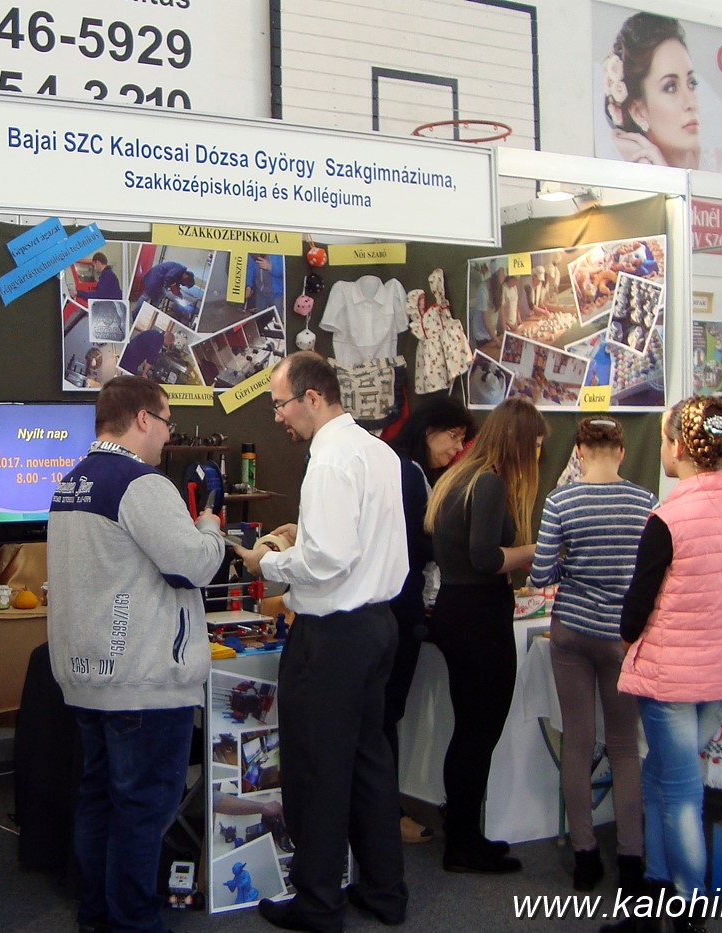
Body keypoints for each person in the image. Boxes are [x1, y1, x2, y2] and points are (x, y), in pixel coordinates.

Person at [234, 352, 409, 931]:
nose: (277, 417)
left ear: (312, 397)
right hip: (378, 625)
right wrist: (303, 535)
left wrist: (267, 561)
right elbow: (354, 541)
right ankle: (384, 891)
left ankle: (317, 903)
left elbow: (329, 560)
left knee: (316, 769)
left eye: (280, 404)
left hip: (331, 637)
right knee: (369, 762)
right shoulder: (378, 451)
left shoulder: (329, 460)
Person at [46, 375, 226, 933]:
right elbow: (191, 566)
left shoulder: (71, 482)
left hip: (89, 674)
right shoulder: (141, 483)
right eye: (167, 422)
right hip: (143, 679)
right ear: (143, 418)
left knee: (101, 800)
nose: (168, 436)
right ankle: (134, 922)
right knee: (143, 810)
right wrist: (210, 527)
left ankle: (98, 916)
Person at [604, 396, 722, 933]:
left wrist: (627, 640)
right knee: (662, 777)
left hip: (672, 676)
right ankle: (654, 895)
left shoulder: (669, 518)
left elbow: (637, 606)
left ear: (678, 446)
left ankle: (689, 909)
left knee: (681, 793)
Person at [528, 417, 656, 893]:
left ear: (578, 452)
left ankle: (584, 854)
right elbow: (653, 573)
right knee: (624, 746)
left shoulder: (561, 501)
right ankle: (631, 858)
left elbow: (540, 575)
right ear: (621, 451)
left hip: (572, 632)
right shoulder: (645, 502)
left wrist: (571, 563)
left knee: (578, 741)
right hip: (622, 636)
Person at [423, 397, 546, 874]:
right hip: (479, 617)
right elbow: (486, 558)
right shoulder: (489, 482)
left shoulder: (458, 478)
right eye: (535, 446)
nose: (537, 456)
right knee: (480, 732)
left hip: (457, 612)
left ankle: (464, 830)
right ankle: (463, 842)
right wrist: (536, 550)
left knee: (469, 730)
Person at [383, 398, 475, 844]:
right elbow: (414, 543)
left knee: (385, 714)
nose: (456, 448)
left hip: (395, 603)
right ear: (428, 430)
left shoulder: (405, 469)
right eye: (453, 437)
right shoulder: (407, 473)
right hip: (398, 605)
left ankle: (384, 812)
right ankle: (388, 814)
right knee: (385, 713)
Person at [602, 13, 702, 169]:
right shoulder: (623, 173)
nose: (691, 103)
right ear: (638, 112)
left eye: (691, 83)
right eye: (671, 87)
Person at [131, 260, 195, 315]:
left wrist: (179, 296)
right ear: (186, 276)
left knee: (156, 299)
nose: (183, 283)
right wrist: (168, 288)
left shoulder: (180, 275)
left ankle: (150, 314)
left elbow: (176, 286)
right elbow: (169, 277)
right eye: (185, 283)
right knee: (146, 296)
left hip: (158, 281)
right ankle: (134, 314)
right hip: (155, 278)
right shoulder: (179, 269)